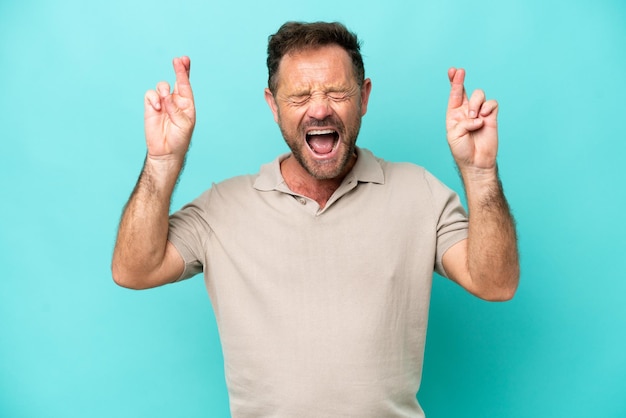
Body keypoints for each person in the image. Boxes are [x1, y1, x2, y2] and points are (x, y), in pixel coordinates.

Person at [112, 21, 519, 418]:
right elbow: (134, 270)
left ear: (364, 97)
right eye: (300, 95)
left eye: (337, 92)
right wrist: (163, 161)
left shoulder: (420, 193)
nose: (320, 109)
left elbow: (495, 283)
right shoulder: (222, 207)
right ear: (273, 105)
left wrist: (480, 172)